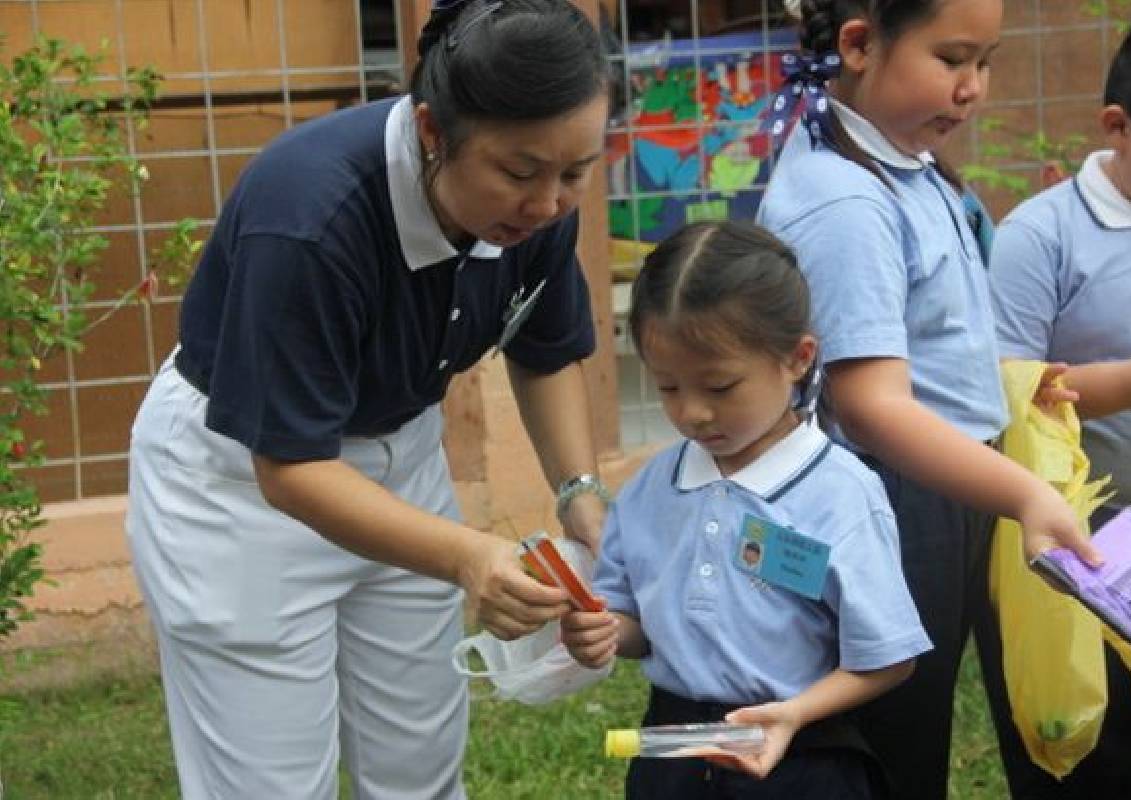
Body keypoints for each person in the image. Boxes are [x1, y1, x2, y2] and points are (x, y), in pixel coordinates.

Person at [124, 2, 611, 797]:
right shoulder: (310, 217)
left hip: (401, 457)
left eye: (577, 170)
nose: (550, 202)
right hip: (241, 489)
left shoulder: (537, 206)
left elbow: (543, 347)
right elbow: (289, 469)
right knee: (270, 785)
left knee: (419, 767)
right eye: (521, 173)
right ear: (431, 131)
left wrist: (581, 496)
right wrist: (467, 555)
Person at [755, 2, 1102, 799]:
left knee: (921, 709)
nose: (973, 87)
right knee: (891, 735)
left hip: (941, 485)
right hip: (892, 496)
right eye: (952, 59)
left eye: (987, 61)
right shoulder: (847, 201)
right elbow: (873, 407)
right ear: (859, 44)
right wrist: (1024, 493)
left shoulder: (904, 165)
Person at [563, 220, 933, 800]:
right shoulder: (649, 490)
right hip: (674, 752)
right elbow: (635, 624)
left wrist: (792, 714)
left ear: (797, 359)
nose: (693, 414)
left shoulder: (841, 494)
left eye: (720, 386)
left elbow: (888, 658)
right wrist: (607, 630)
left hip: (804, 756)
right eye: (667, 388)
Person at [983, 2, 1131, 796]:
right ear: (1119, 125)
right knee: (1085, 755)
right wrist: (1130, 387)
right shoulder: (1042, 238)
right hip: (1075, 554)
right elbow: (1002, 395)